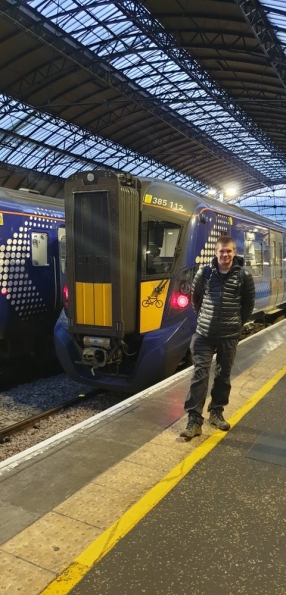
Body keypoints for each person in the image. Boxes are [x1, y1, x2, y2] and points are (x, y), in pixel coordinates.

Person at [181, 235, 255, 439]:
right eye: (221, 251)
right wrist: (204, 319)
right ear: (216, 252)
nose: (225, 254)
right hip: (204, 334)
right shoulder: (204, 273)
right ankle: (194, 421)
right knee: (199, 375)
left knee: (223, 375)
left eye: (229, 251)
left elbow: (248, 305)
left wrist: (237, 324)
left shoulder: (244, 276)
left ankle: (216, 413)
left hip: (229, 335)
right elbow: (195, 299)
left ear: (234, 252)